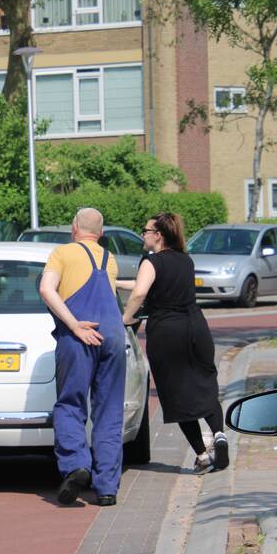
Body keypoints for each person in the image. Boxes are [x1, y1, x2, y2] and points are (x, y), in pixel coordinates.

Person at [120, 212, 228, 474]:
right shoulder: (185, 260)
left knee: (177, 393)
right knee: (204, 383)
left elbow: (141, 291)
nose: (143, 235)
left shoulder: (151, 260)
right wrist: (112, 282)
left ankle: (202, 455)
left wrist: (126, 317)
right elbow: (148, 284)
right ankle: (219, 435)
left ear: (158, 235)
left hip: (167, 331)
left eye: (145, 231)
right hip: (195, 327)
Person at [38, 208, 126, 506]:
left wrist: (73, 324)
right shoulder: (109, 258)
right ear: (101, 233)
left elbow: (46, 289)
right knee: (110, 409)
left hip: (79, 335)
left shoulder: (62, 253)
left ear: (74, 227)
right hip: (112, 335)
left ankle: (76, 465)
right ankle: (106, 488)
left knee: (71, 404)